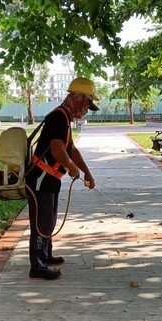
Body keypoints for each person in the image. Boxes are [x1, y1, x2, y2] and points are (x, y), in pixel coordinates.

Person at [25, 77, 98, 280]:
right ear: (76, 97)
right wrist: (72, 167)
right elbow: (57, 150)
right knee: (41, 223)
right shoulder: (58, 117)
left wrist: (86, 171)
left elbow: (70, 149)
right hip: (41, 178)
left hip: (51, 179)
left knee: (48, 221)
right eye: (86, 104)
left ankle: (45, 256)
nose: (85, 110)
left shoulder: (65, 118)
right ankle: (37, 267)